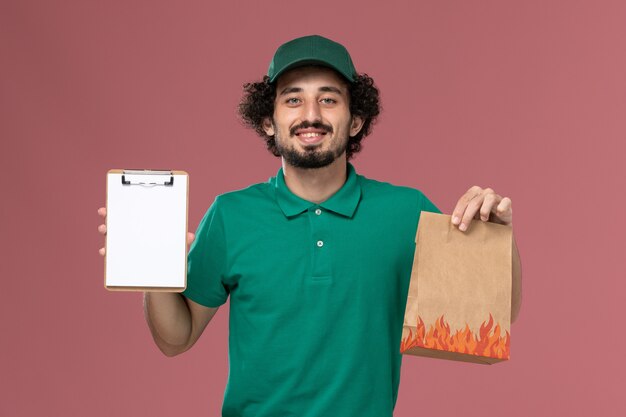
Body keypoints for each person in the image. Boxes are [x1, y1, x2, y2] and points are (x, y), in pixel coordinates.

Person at [98, 35, 522, 417]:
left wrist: (497, 238)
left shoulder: (406, 211)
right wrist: (149, 267)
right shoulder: (230, 214)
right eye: (293, 99)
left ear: (355, 121)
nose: (312, 114)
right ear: (269, 120)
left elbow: (495, 314)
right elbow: (177, 338)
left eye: (330, 99)